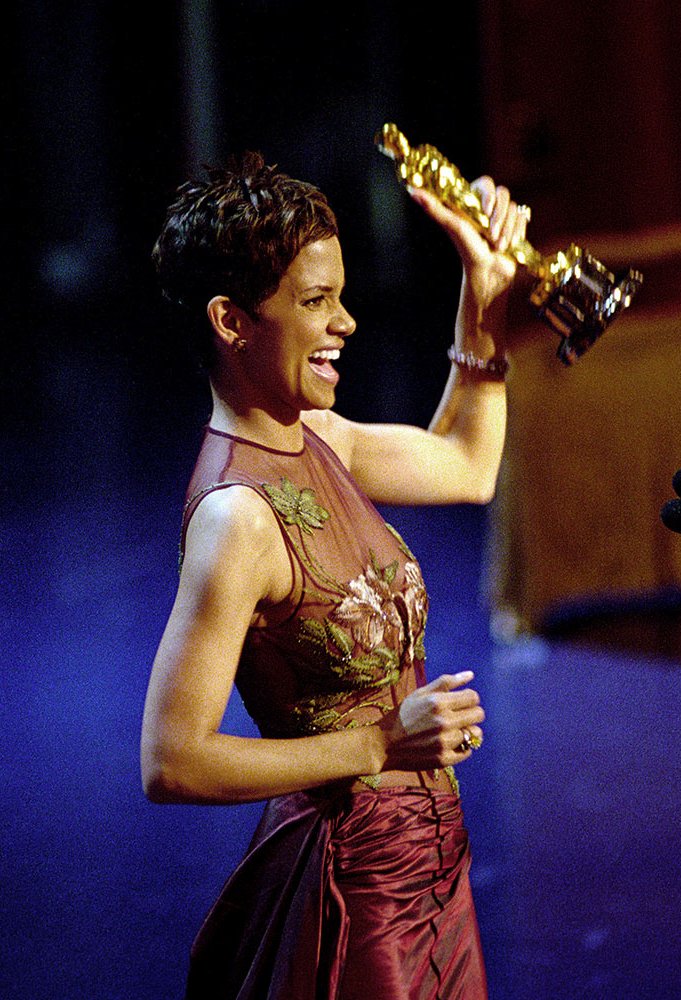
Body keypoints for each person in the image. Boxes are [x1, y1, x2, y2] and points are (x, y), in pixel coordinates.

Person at [140, 148, 529, 998]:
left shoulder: (322, 438)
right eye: (315, 302)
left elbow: (468, 466)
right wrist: (380, 743)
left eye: (340, 296)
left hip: (434, 869)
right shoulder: (236, 518)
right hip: (355, 893)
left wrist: (482, 288)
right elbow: (171, 761)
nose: (345, 321)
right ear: (231, 320)